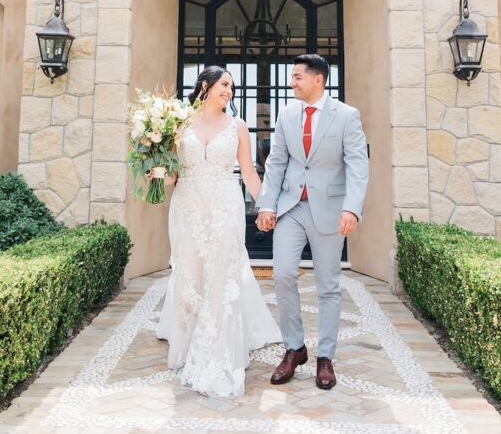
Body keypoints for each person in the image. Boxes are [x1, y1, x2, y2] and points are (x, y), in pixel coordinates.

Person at [155, 65, 281, 398]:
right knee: (190, 275)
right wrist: (154, 170)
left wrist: (267, 205)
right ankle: (190, 340)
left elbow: (251, 174)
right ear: (206, 86)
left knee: (221, 278)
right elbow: (172, 176)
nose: (229, 91)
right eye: (224, 84)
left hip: (226, 207)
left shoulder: (238, 126)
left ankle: (220, 350)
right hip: (188, 208)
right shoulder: (179, 124)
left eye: (233, 87)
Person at [255, 54, 369, 391]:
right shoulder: (287, 115)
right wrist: (266, 206)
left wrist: (352, 209)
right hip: (291, 207)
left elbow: (358, 165)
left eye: (297, 77)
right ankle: (295, 348)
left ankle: (325, 357)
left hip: (331, 211)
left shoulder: (347, 116)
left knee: (328, 285)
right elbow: (276, 163)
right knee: (284, 274)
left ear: (318, 79)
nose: (292, 83)